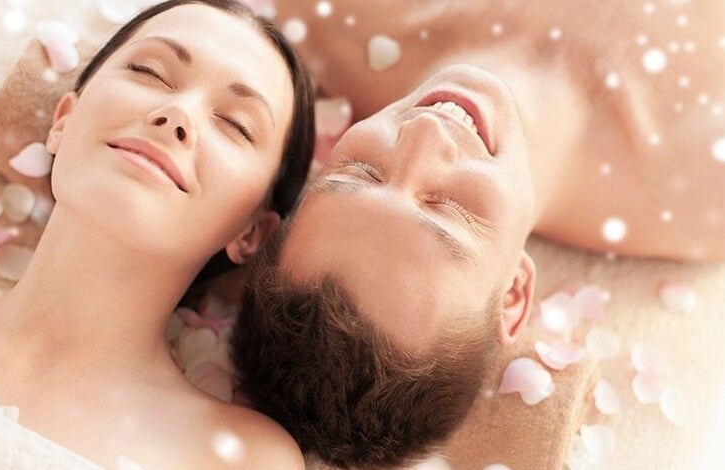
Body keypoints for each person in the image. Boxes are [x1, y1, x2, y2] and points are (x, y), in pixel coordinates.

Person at [232, 1, 725, 467]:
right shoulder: (703, 180)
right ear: (513, 294)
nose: (425, 136)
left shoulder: (328, 19)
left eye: (362, 170)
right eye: (449, 209)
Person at [0, 0, 314, 468]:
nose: (177, 113)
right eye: (149, 71)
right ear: (62, 122)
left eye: (235, 124)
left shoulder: (238, 459)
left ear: (252, 233)